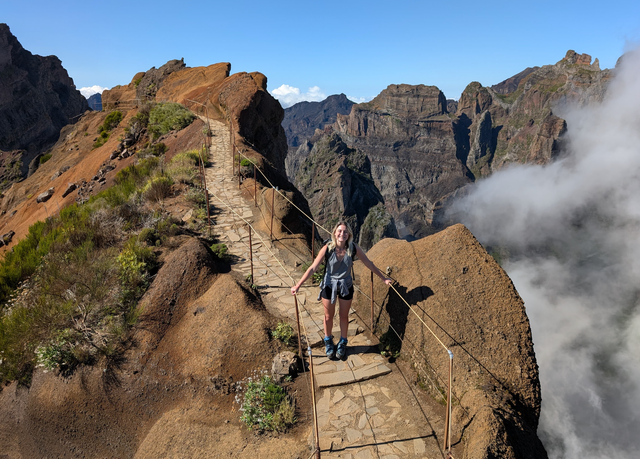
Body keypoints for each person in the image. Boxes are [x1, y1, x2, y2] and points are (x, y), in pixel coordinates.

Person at [291, 221, 393, 360]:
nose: (342, 234)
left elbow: (368, 263)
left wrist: (383, 278)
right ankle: (328, 341)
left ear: (349, 234)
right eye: (339, 231)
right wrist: (298, 285)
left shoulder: (353, 248)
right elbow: (312, 268)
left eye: (345, 232)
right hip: (329, 285)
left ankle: (342, 342)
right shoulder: (328, 248)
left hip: (346, 286)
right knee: (328, 316)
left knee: (344, 316)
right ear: (334, 233)